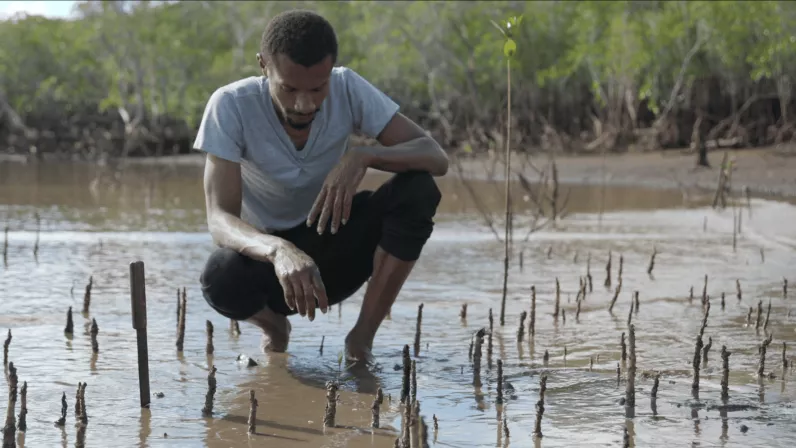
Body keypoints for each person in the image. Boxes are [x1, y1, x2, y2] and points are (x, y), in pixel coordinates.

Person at [194, 9, 449, 364]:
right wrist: (278, 250)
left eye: (318, 88)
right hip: (273, 271)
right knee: (218, 276)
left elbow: (435, 157)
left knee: (419, 189)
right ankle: (275, 329)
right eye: (289, 88)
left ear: (331, 71)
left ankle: (361, 340)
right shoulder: (230, 105)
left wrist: (363, 156)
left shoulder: (348, 87)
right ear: (263, 65)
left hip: (333, 251)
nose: (305, 104)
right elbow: (219, 218)